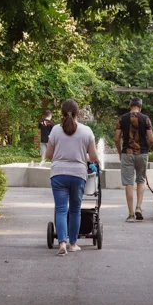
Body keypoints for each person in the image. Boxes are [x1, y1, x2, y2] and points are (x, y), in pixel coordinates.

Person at [45, 99, 98, 256]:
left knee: (61, 210)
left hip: (58, 174)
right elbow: (93, 156)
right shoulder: (86, 131)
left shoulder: (55, 130)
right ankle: (73, 244)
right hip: (78, 175)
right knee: (75, 210)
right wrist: (82, 157)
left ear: (61, 114)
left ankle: (62, 243)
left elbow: (48, 155)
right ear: (78, 113)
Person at [114, 97, 153, 222]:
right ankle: (138, 207)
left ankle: (131, 214)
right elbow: (151, 139)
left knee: (128, 183)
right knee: (141, 181)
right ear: (140, 107)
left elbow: (116, 138)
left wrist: (120, 152)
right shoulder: (146, 118)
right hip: (142, 153)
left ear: (130, 106)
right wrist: (145, 149)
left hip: (127, 153)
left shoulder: (122, 118)